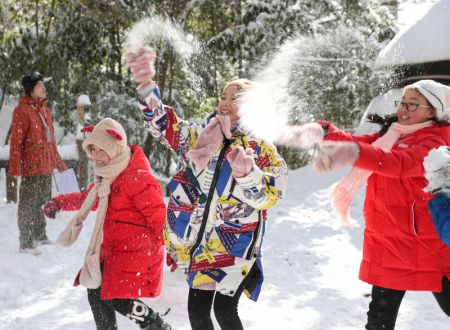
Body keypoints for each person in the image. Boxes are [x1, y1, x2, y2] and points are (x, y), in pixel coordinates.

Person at [127, 47, 288, 330]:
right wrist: (145, 87)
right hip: (203, 243)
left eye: (235, 99)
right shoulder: (204, 134)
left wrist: (248, 174)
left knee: (225, 311)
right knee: (198, 314)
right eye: (223, 96)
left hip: (236, 244)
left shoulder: (261, 146)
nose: (225, 103)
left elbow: (270, 196)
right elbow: (167, 126)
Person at [290, 80, 450, 329]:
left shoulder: (436, 142)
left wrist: (353, 153)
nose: (403, 109)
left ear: (432, 112)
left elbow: (400, 163)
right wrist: (325, 131)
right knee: (379, 322)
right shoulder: (392, 133)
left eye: (412, 104)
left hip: (428, 246)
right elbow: (360, 142)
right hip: (390, 243)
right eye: (402, 102)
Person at [42, 118, 171, 330]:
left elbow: (160, 218)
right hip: (116, 250)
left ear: (115, 147)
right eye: (93, 150)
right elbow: (88, 198)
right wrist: (59, 202)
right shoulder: (107, 175)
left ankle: (156, 324)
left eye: (101, 150)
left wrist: (175, 250)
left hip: (138, 251)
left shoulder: (137, 177)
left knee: (113, 296)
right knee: (95, 290)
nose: (96, 156)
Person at [9, 72, 67, 252]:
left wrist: (60, 164)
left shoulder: (46, 112)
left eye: (43, 84)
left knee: (42, 203)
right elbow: (16, 142)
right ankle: (25, 242)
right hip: (30, 166)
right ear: (31, 90)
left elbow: (51, 143)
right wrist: (16, 168)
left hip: (46, 166)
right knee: (27, 205)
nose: (44, 87)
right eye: (40, 85)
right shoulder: (22, 111)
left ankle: (40, 235)